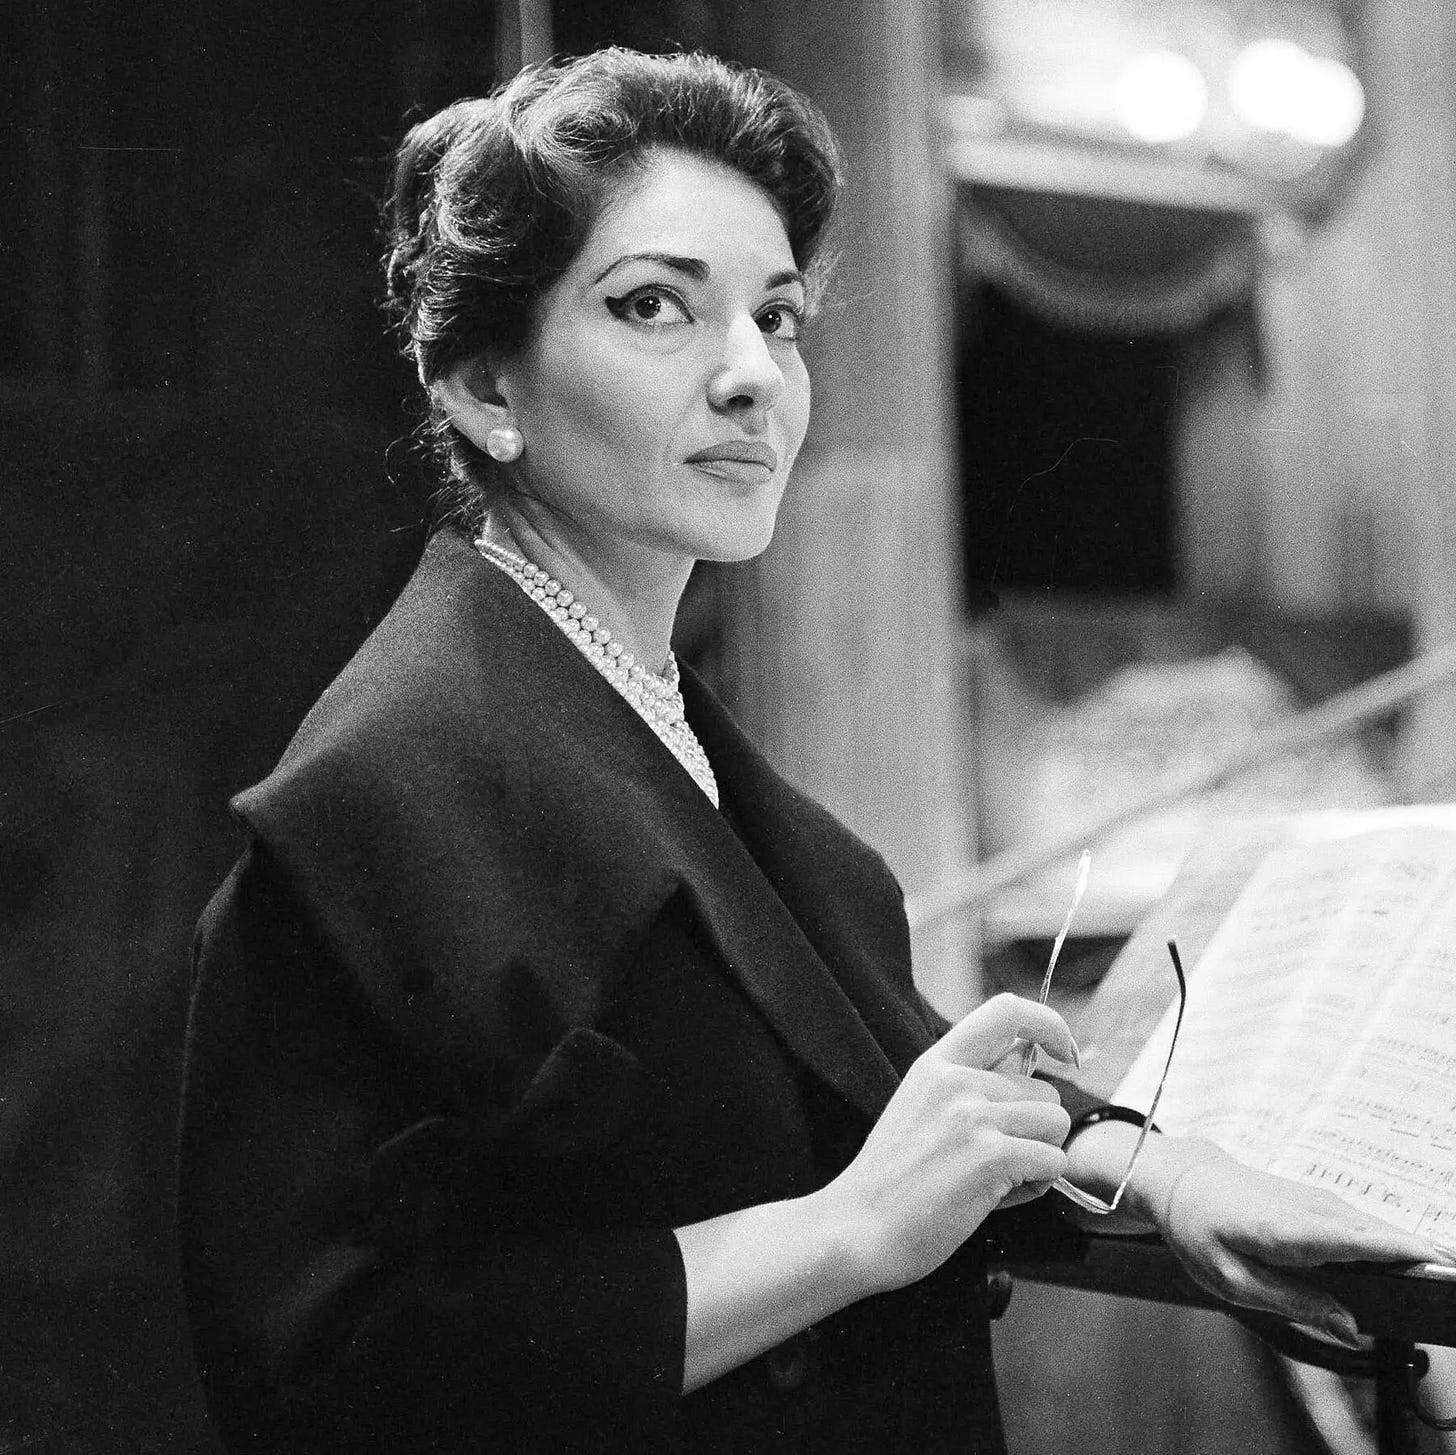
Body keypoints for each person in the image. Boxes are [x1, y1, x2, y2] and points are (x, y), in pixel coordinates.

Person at [175, 47, 1450, 1455]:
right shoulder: (388, 784)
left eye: (775, 317)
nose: (751, 378)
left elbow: (888, 1103)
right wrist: (845, 1234)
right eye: (654, 305)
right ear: (486, 389)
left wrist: (1171, 1177)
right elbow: (329, 1375)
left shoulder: (654, 724)